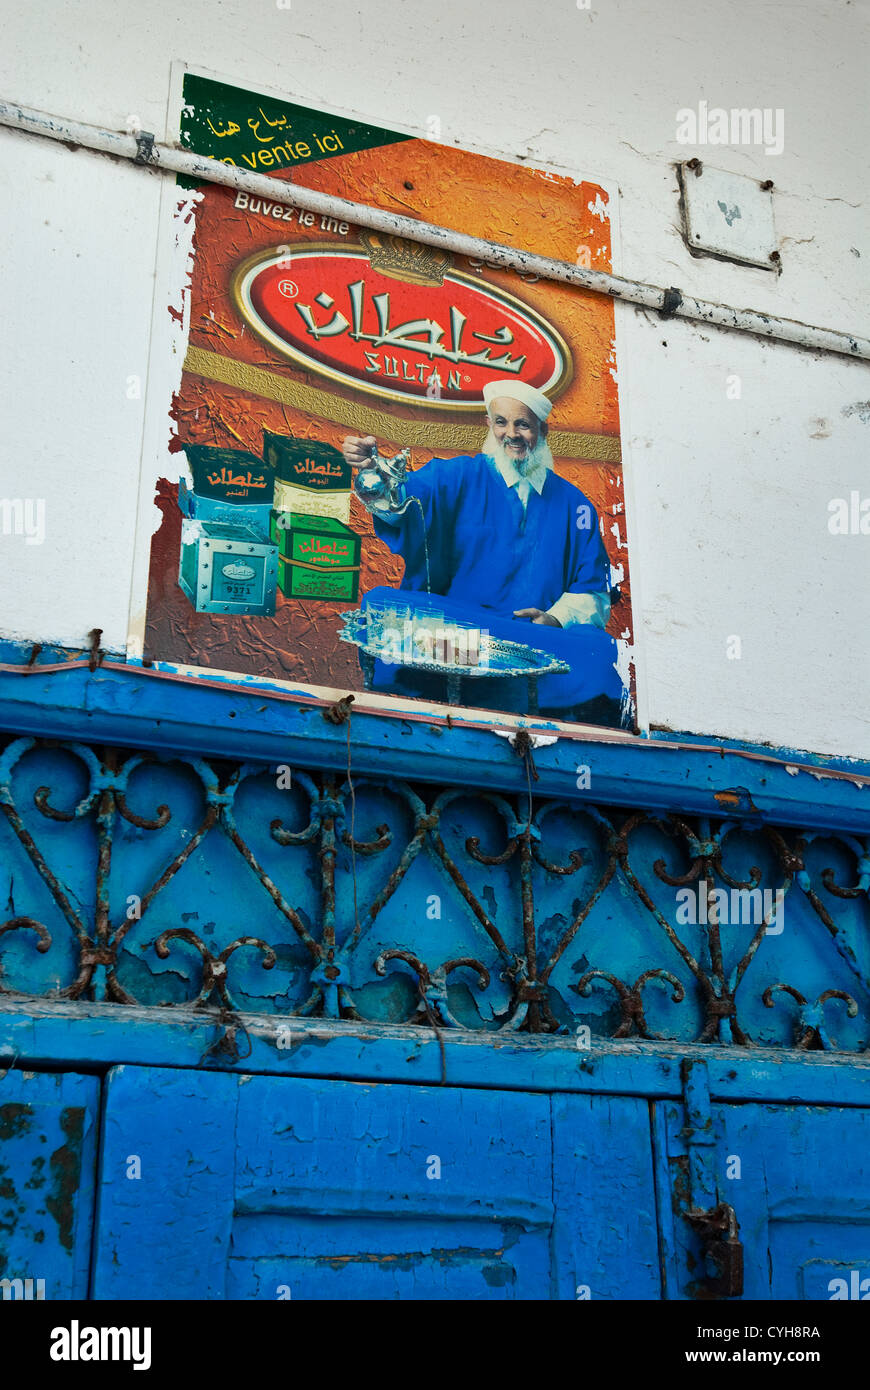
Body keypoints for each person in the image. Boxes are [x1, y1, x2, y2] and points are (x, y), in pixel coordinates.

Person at [342, 379, 629, 726]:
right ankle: (501, 665)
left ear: (542, 429)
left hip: (534, 636)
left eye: (523, 424)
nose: (512, 434)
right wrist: (374, 472)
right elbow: (405, 499)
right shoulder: (461, 475)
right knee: (385, 604)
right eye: (501, 422)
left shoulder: (574, 504)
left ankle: (512, 667)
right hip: (460, 628)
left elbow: (594, 592)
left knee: (601, 653)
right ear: (489, 426)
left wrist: (554, 618)